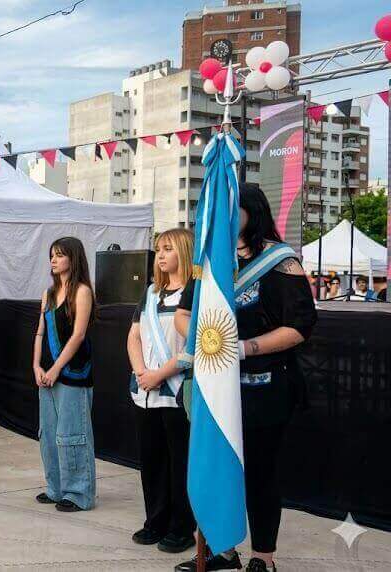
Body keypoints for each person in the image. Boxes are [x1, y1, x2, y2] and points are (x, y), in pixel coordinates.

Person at [174, 184, 317, 572]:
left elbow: (300, 326)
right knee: (217, 469)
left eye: (230, 207)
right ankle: (222, 550)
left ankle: (263, 557)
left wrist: (242, 348)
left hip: (265, 389)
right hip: (216, 389)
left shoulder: (280, 261)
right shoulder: (211, 259)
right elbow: (183, 314)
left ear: (252, 210)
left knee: (259, 474)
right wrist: (206, 340)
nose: (221, 214)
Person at [126, 228, 196, 553]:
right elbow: (134, 335)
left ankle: (181, 528)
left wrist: (159, 374)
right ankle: (155, 520)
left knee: (179, 462)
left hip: (178, 391)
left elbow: (195, 346)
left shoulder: (194, 293)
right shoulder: (151, 292)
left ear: (184, 250)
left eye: (168, 248)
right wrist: (142, 372)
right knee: (152, 460)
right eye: (159, 249)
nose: (161, 255)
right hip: (145, 390)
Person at [32, 236, 96, 513]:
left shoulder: (82, 291)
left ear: (73, 258)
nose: (53, 260)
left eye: (59, 255)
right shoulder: (48, 293)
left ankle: (78, 493)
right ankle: (55, 488)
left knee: (72, 434)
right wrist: (36, 366)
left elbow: (79, 335)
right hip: (46, 374)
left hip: (73, 373)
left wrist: (57, 368)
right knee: (48, 434)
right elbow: (39, 332)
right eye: (52, 255)